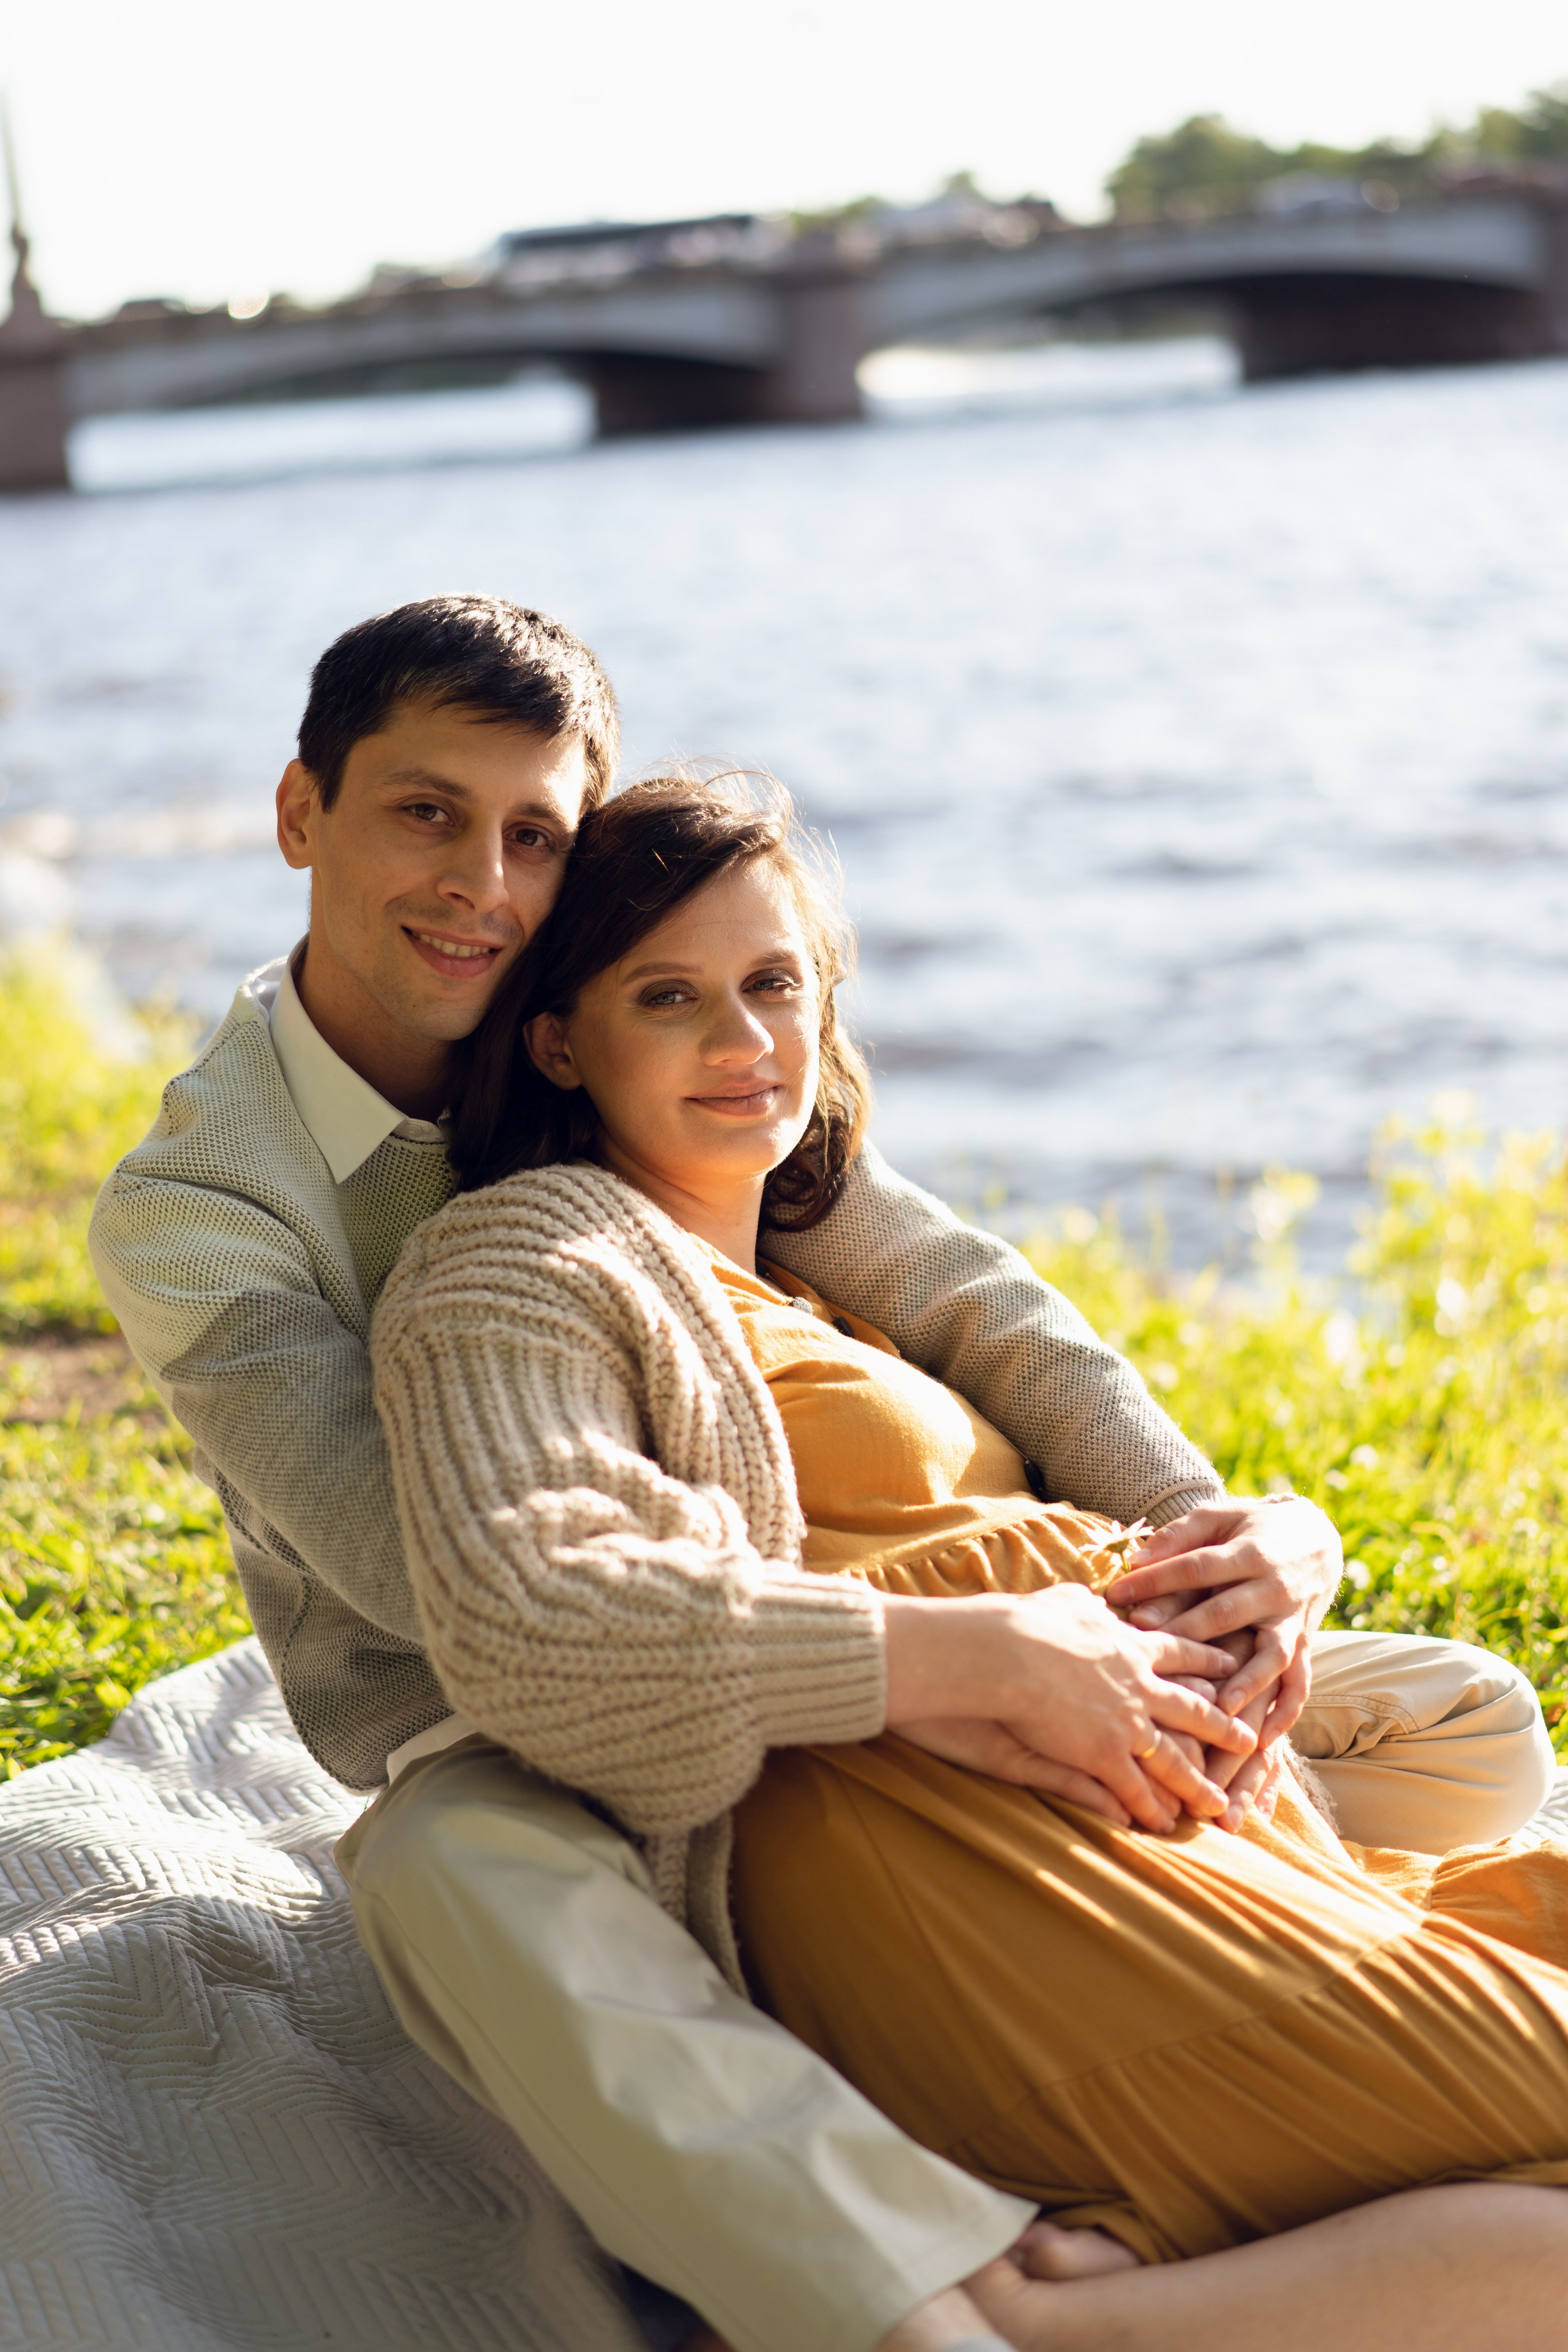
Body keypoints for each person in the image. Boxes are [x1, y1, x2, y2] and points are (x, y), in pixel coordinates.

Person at [89, 598, 1555, 2352]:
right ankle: (925, 2292)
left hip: (896, 1636)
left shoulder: (695, 1072)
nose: (481, 879)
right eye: (424, 811)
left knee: (1470, 1723)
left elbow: (989, 1316)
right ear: (299, 814)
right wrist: (940, 1666)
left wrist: (1220, 1538)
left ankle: (1183, 1964)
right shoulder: (218, 1214)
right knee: (456, 1867)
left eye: (534, 832)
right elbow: (452, 1582)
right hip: (512, 1718)